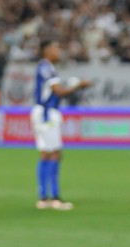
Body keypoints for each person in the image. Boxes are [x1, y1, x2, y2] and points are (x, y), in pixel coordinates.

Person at [32, 39, 90, 211]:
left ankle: (44, 198)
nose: (59, 51)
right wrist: (78, 85)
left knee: (46, 154)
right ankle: (54, 198)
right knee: (54, 153)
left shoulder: (46, 68)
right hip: (47, 113)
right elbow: (59, 92)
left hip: (43, 113)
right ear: (47, 50)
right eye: (56, 47)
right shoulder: (47, 68)